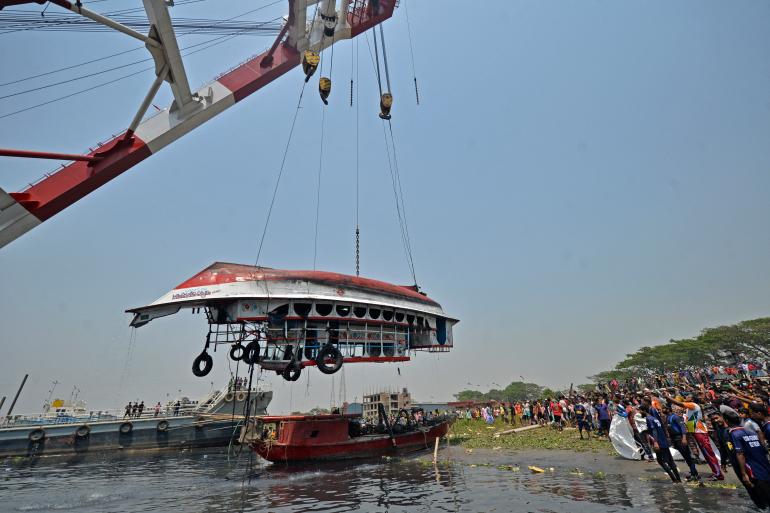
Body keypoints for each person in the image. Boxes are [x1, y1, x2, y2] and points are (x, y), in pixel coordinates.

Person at [664, 391, 724, 480]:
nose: (686, 397)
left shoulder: (693, 405)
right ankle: (715, 472)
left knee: (709, 453)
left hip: (700, 432)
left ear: (691, 399)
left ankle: (718, 474)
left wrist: (669, 397)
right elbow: (690, 420)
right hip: (695, 432)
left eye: (687, 396)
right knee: (706, 454)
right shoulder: (690, 408)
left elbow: (679, 403)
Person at [725, 410, 770, 509]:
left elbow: (739, 453)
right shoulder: (750, 431)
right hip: (764, 466)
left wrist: (744, 474)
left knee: (760, 498)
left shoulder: (734, 434)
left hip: (752, 470)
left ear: (727, 421)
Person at [640, 404, 681, 482]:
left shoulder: (648, 419)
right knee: (670, 461)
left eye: (640, 411)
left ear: (644, 411)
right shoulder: (654, 418)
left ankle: (674, 480)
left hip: (659, 442)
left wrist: (655, 442)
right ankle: (678, 480)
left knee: (661, 461)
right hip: (663, 441)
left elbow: (654, 430)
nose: (640, 413)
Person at [664, 404, 700, 481]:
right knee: (685, 456)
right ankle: (695, 473)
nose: (662, 410)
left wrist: (684, 438)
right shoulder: (668, 417)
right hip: (675, 439)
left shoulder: (675, 417)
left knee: (688, 456)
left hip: (680, 438)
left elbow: (683, 427)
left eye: (664, 408)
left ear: (668, 409)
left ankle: (694, 474)